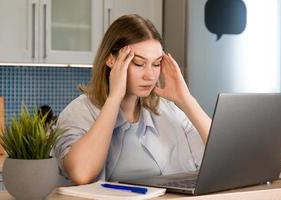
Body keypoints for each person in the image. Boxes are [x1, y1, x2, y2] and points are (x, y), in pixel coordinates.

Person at [54, 14, 211, 185]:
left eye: (156, 64)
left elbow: (225, 156)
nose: (150, 76)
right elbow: (81, 174)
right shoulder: (79, 111)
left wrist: (186, 100)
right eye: (138, 63)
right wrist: (114, 98)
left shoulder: (167, 110)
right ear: (111, 59)